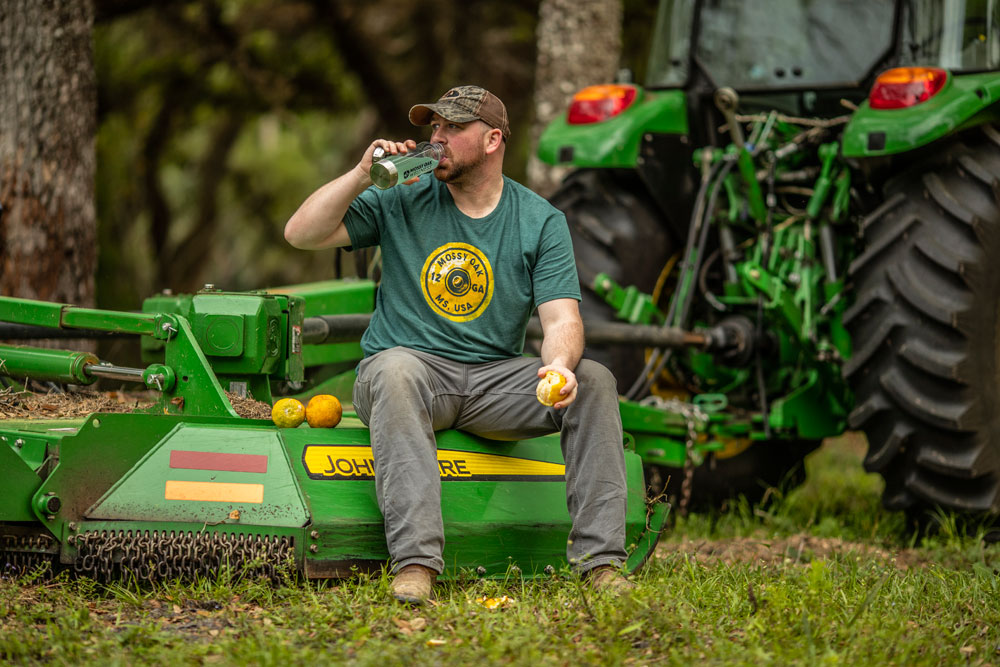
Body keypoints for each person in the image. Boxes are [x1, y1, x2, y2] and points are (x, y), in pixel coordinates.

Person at [284, 85, 632, 604]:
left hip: (492, 381)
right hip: (411, 371)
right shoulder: (402, 192)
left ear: (492, 139)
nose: (437, 138)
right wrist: (363, 174)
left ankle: (601, 563)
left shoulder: (539, 220)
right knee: (395, 370)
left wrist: (558, 367)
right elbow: (300, 233)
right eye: (435, 127)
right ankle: (417, 564)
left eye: (452, 128)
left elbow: (562, 317)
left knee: (594, 381)